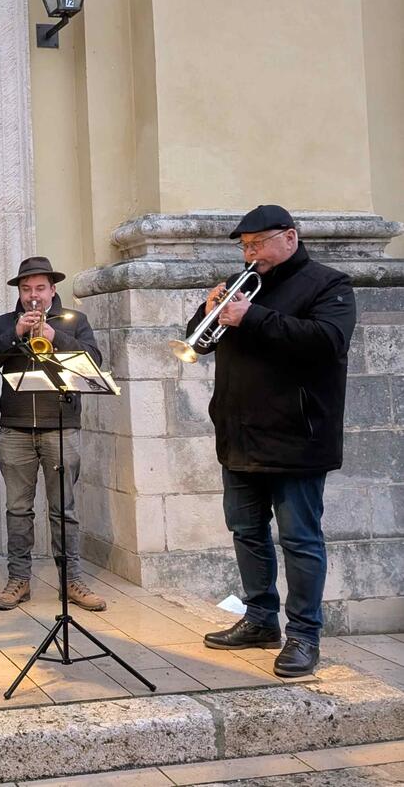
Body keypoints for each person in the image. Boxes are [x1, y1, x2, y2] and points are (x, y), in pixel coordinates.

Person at [185, 205, 355, 677]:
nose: (249, 253)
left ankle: (304, 635)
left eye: (257, 244)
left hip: (297, 437)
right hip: (239, 434)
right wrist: (208, 312)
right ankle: (260, 619)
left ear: (290, 238)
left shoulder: (329, 284)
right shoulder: (239, 286)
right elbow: (197, 344)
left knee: (300, 540)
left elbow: (326, 342)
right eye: (244, 245)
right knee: (246, 532)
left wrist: (252, 317)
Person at [0, 256, 107, 614]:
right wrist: (15, 333)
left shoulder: (75, 322)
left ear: (52, 290)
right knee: (18, 509)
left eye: (40, 288)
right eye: (26, 289)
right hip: (15, 428)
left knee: (63, 509)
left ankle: (72, 580)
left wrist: (56, 337)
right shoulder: (5, 323)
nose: (33, 296)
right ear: (19, 292)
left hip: (61, 426)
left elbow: (94, 360)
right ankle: (18, 580)